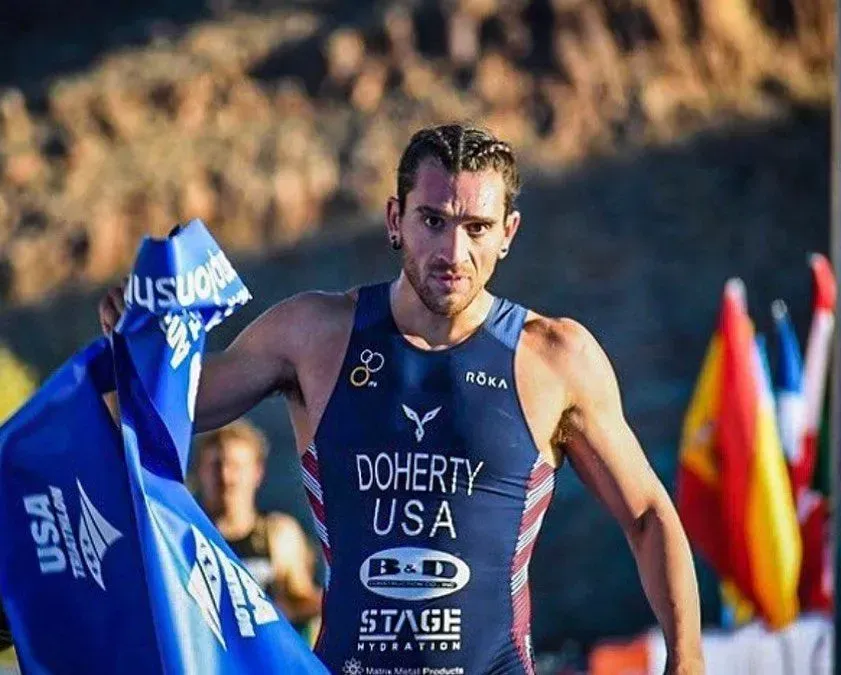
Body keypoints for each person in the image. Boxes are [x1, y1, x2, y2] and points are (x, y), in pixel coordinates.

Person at [100, 123, 703, 674]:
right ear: (395, 219)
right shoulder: (315, 334)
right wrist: (137, 343)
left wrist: (688, 659)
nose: (452, 253)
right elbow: (155, 411)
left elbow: (648, 516)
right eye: (432, 221)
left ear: (508, 233)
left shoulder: (554, 358)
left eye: (477, 229)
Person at [191, 419, 322, 645]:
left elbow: (303, 601)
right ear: (200, 471)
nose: (225, 477)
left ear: (256, 472)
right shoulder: (186, 536)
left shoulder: (277, 534)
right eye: (216, 465)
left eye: (236, 466)